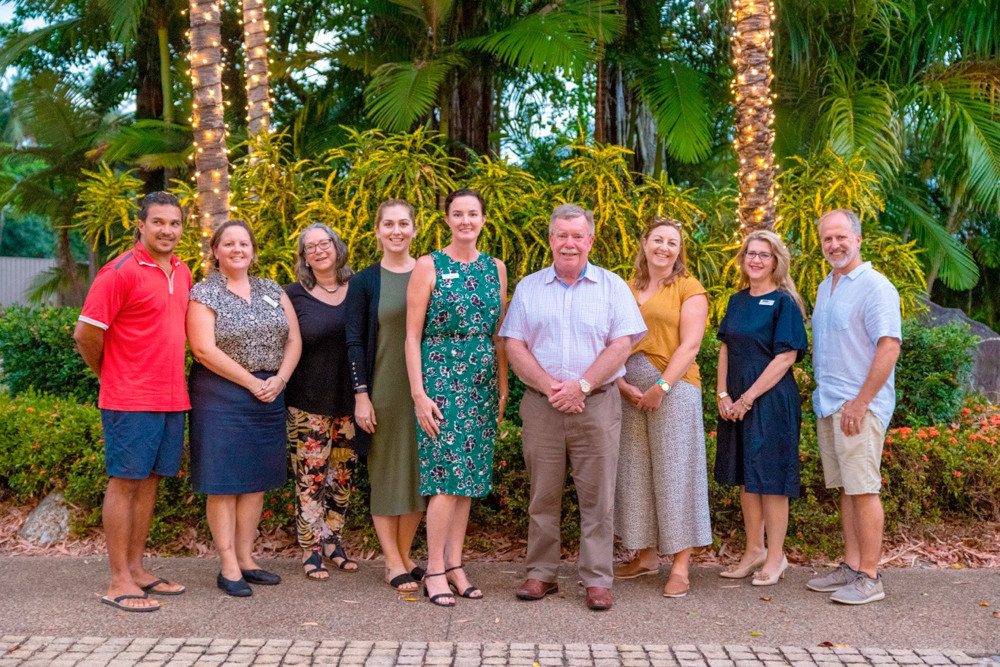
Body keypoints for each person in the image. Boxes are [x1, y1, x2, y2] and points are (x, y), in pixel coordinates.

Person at [500, 203, 646, 612]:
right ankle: (541, 574)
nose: (569, 243)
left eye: (577, 235)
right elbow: (514, 344)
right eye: (561, 235)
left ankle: (597, 580)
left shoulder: (612, 286)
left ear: (590, 240)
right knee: (542, 496)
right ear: (550, 239)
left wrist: (582, 386)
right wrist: (552, 387)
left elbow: (622, 344)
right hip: (542, 407)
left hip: (596, 406)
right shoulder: (530, 288)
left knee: (598, 499)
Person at [74, 191, 191, 612]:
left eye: (174, 223)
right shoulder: (119, 271)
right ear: (140, 225)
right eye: (159, 222)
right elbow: (86, 334)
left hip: (172, 396)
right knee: (125, 483)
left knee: (150, 483)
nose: (167, 230)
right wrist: (112, 374)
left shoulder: (183, 270)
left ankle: (138, 570)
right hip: (130, 398)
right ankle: (118, 580)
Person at [187, 218, 302, 597]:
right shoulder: (205, 292)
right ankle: (228, 565)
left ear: (253, 251)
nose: (237, 249)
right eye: (229, 244)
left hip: (269, 393)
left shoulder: (272, 289)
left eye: (244, 244)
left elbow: (294, 340)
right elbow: (203, 349)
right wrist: (252, 382)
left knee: (255, 483)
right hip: (222, 396)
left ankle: (248, 558)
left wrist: (280, 380)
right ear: (216, 251)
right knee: (224, 482)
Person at [405, 189, 508, 607]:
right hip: (440, 382)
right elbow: (411, 336)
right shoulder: (429, 265)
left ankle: (455, 564)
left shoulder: (495, 268)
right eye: (457, 214)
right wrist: (418, 393)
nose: (466, 220)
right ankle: (433, 568)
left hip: (481, 383)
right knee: (446, 479)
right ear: (446, 219)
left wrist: (502, 388)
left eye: (473, 214)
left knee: (468, 482)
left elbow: (498, 335)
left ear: (484, 219)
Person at [613, 216, 712, 598]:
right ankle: (647, 556)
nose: (664, 248)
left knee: (675, 475)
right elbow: (611, 337)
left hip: (674, 389)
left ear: (679, 250)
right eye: (658, 240)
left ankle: (681, 566)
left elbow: (690, 345)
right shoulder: (625, 286)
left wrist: (662, 386)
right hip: (628, 392)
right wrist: (619, 382)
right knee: (636, 474)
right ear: (644, 243)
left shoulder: (689, 288)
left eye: (672, 242)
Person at [806, 208, 901, 605]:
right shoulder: (826, 286)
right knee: (846, 488)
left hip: (858, 407)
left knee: (863, 490)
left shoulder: (876, 287)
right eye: (828, 239)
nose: (835, 245)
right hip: (831, 404)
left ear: (859, 239)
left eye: (842, 237)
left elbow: (889, 346)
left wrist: (861, 403)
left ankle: (870, 577)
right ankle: (850, 565)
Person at [714, 230, 807, 586]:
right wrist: (723, 395)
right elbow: (725, 348)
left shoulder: (784, 303)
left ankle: (775, 556)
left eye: (763, 255)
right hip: (735, 399)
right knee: (746, 477)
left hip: (770, 399)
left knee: (771, 480)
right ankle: (753, 550)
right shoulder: (737, 301)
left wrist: (748, 398)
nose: (755, 260)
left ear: (776, 262)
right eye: (750, 253)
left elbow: (785, 357)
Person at [346, 199, 426, 593]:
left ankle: (406, 554)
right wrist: (361, 394)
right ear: (377, 231)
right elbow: (354, 341)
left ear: (415, 229)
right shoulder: (364, 281)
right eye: (388, 224)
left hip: (425, 392)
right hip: (382, 391)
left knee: (416, 473)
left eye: (404, 223)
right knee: (384, 474)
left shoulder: (430, 273)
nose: (397, 230)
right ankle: (390, 559)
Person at [284, 223, 358, 581]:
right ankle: (310, 548)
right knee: (310, 479)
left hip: (352, 401)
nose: (318, 250)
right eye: (309, 247)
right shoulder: (292, 295)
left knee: (341, 477)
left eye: (324, 243)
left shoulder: (358, 288)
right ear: (304, 257)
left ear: (336, 247)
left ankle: (334, 542)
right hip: (307, 402)